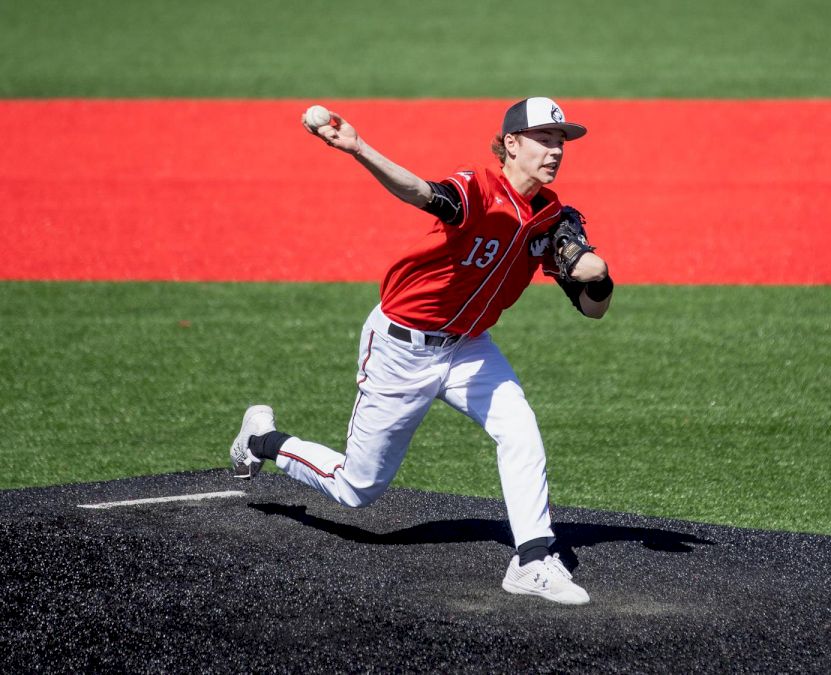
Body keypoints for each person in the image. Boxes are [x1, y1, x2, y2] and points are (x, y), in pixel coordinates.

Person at [228, 97, 613, 605]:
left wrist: (597, 272)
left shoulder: (550, 216)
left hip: (470, 349)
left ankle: (533, 560)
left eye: (561, 140)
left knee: (519, 429)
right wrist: (358, 148)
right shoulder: (480, 189)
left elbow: (592, 308)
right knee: (357, 489)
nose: (556, 150)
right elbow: (423, 193)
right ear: (512, 144)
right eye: (544, 138)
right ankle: (263, 440)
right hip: (401, 347)